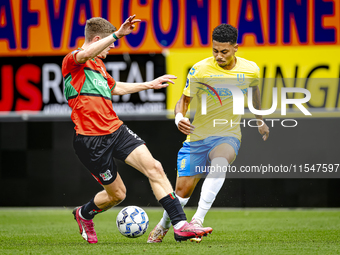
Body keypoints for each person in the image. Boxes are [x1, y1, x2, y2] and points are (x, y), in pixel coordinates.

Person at [61, 15, 213, 244]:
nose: (110, 49)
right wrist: (117, 34)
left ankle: (180, 225)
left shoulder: (99, 66)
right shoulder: (73, 61)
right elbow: (86, 53)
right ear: (97, 39)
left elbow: (116, 88)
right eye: (110, 45)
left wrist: (149, 84)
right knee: (117, 195)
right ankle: (84, 214)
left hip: (116, 130)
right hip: (90, 141)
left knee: (155, 167)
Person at [147, 24, 269, 243]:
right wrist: (179, 118)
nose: (218, 56)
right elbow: (183, 101)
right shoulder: (200, 70)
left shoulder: (251, 69)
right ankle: (163, 225)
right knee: (182, 194)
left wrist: (260, 120)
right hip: (198, 137)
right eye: (215, 50)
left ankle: (197, 221)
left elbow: (255, 94)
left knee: (220, 161)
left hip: (228, 134)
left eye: (224, 51)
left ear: (235, 48)